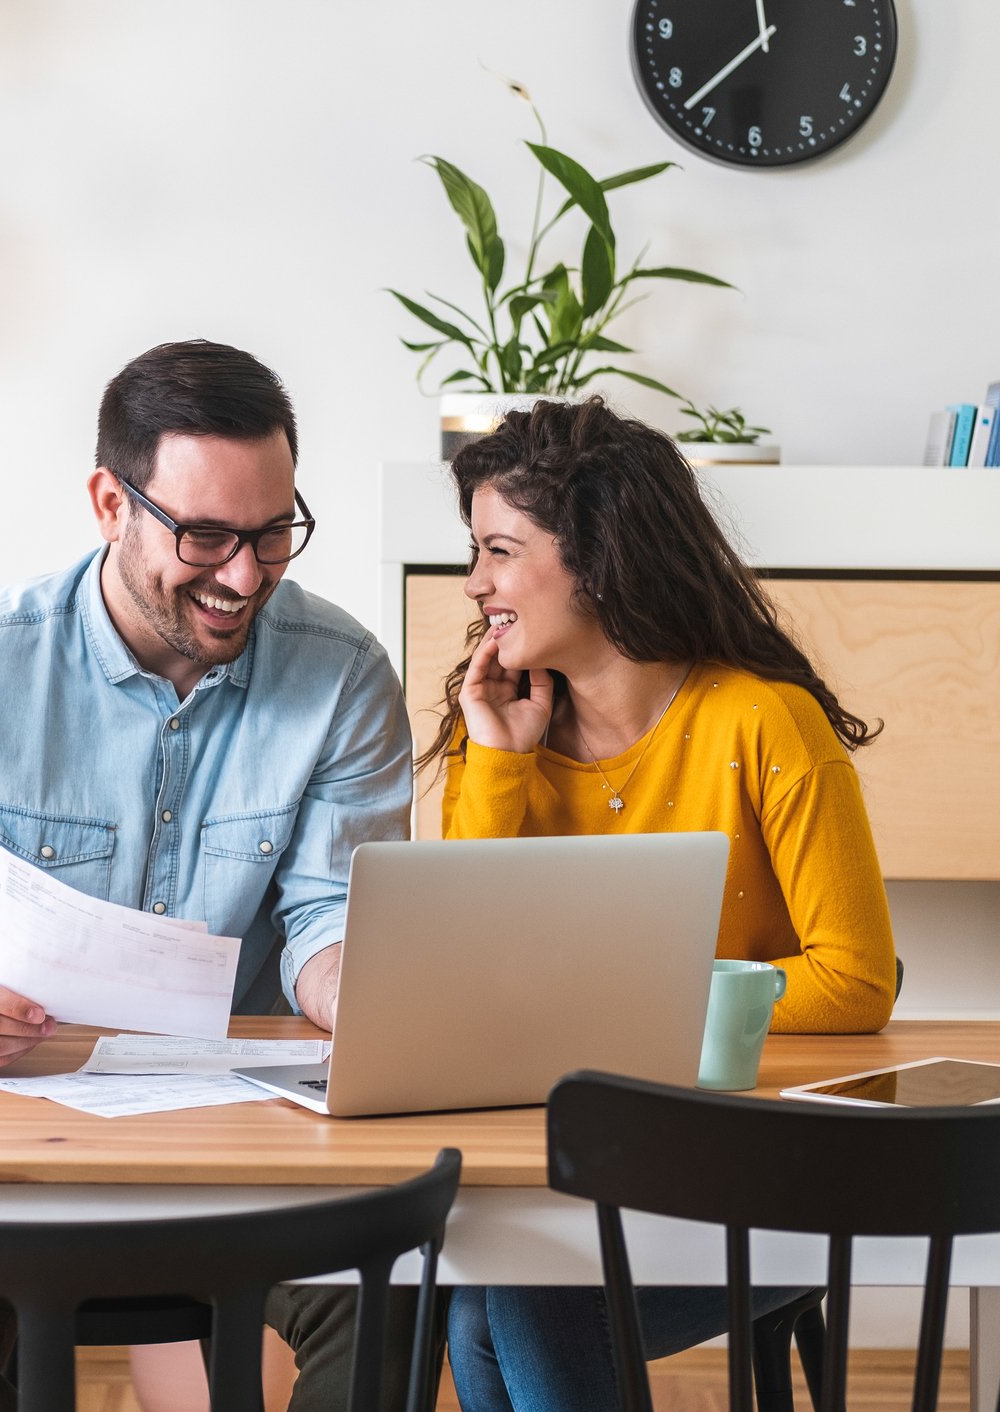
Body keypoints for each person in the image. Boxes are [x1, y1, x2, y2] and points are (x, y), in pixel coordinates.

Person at [0, 339, 419, 1412]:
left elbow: (331, 915)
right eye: (206, 536)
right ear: (109, 502)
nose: (245, 576)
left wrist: (366, 990)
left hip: (256, 1151)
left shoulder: (343, 674)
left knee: (401, 1299)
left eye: (274, 533)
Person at [426, 396, 896, 1412]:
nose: (477, 583)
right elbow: (462, 974)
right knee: (478, 1297)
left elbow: (854, 978)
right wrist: (498, 766)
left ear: (595, 556)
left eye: (500, 549)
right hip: (580, 1171)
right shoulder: (503, 731)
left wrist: (627, 1020)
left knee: (522, 1299)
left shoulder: (765, 720)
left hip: (766, 1179)